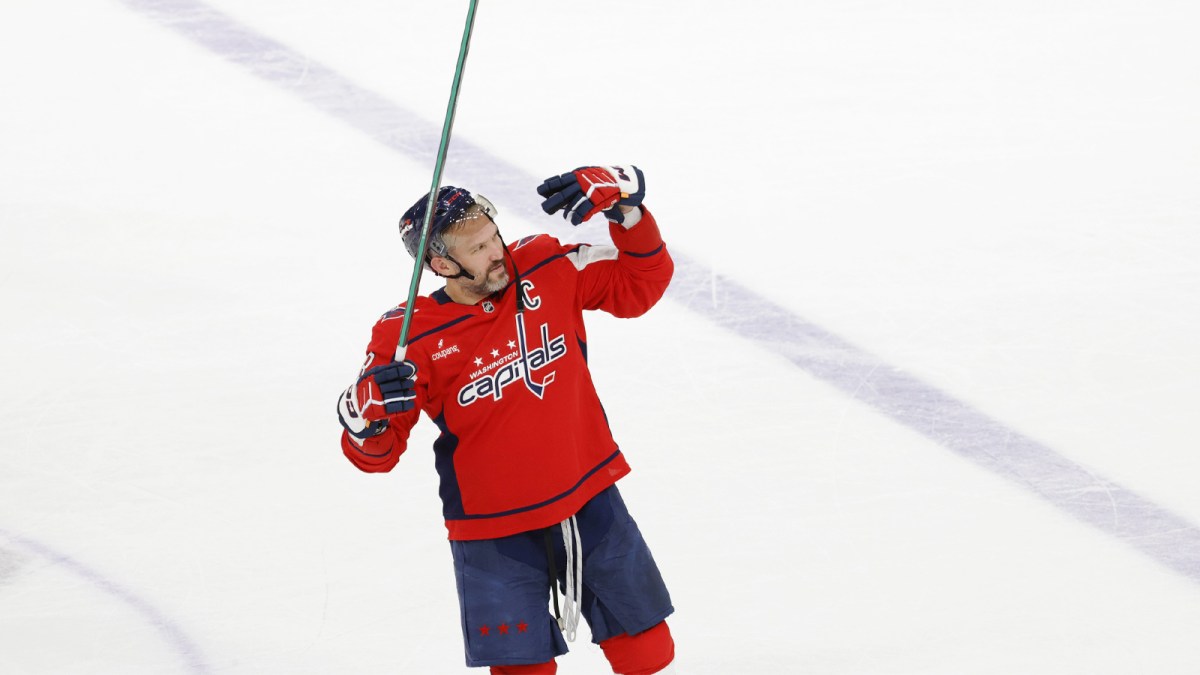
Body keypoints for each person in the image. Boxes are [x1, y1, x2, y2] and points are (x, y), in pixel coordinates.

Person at [336, 165, 677, 674]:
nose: (498, 253)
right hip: (491, 529)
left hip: (587, 497)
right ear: (440, 264)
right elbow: (376, 456)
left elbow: (641, 284)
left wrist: (626, 211)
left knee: (649, 652)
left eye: (494, 236)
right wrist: (365, 420)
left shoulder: (545, 264)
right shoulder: (407, 336)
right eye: (477, 249)